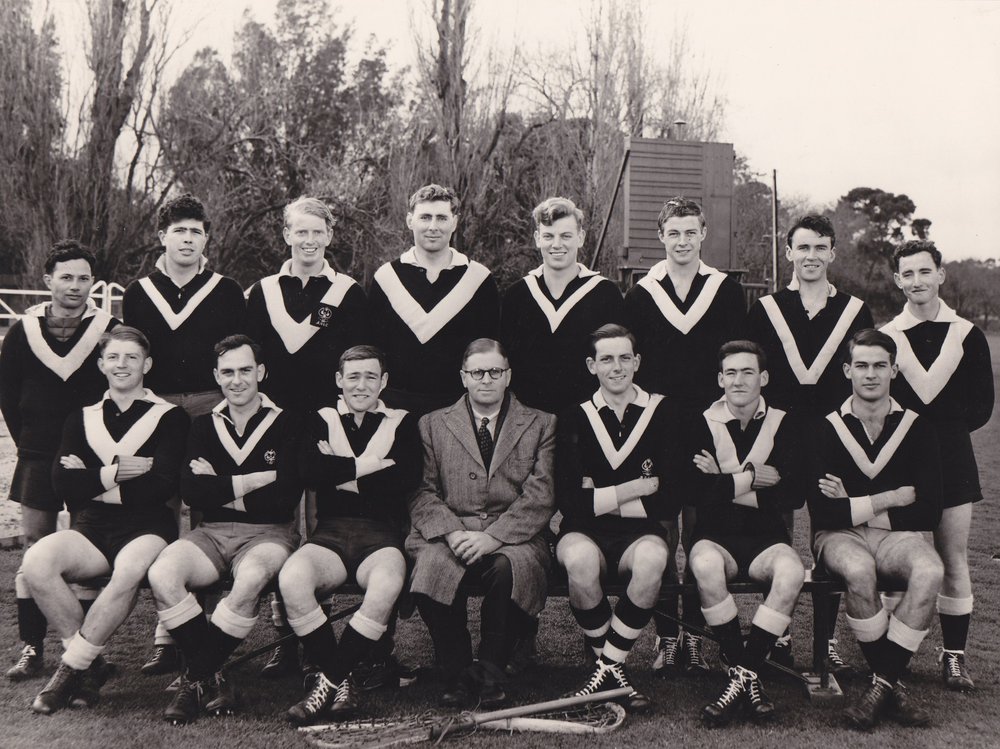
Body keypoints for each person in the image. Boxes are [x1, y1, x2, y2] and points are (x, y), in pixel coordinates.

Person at [21, 326, 189, 714]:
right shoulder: (81, 417)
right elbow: (62, 483)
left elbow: (161, 485)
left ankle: (69, 671)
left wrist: (91, 475)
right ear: (101, 365)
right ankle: (93, 665)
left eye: (131, 357)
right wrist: (119, 472)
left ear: (147, 364)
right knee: (36, 563)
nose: (122, 364)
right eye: (113, 357)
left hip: (147, 526)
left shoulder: (170, 417)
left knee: (128, 570)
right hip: (92, 526)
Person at [147, 335, 302, 724]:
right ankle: (214, 676)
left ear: (261, 372)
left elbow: (282, 499)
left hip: (269, 533)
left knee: (249, 580)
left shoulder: (288, 422)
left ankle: (193, 678)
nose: (237, 380)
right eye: (228, 372)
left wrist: (221, 482)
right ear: (216, 376)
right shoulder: (202, 425)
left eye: (245, 370)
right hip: (211, 532)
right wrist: (254, 479)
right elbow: (193, 493)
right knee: (163, 574)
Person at [123, 193, 246, 674]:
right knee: (163, 504)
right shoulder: (139, 291)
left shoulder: (226, 289)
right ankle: (167, 631)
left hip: (209, 402)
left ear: (206, 238)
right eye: (179, 230)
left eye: (196, 231)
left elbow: (237, 353)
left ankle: (207, 623)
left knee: (208, 509)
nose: (188, 238)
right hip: (158, 407)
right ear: (162, 237)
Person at [746, 214, 874, 672]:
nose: (812, 256)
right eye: (803, 248)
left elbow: (864, 374)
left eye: (821, 247)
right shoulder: (766, 310)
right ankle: (778, 632)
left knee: (829, 539)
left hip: (832, 444)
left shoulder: (855, 311)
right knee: (777, 537)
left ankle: (826, 641)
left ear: (833, 252)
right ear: (788, 253)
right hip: (777, 442)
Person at [624, 196, 746, 677]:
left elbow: (735, 361)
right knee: (659, 530)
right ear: (661, 236)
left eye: (689, 232)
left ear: (703, 233)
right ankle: (667, 637)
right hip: (656, 428)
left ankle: (695, 637)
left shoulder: (725, 291)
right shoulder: (640, 294)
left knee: (701, 532)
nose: (681, 240)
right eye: (672, 232)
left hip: (707, 427)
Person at [406, 339, 555, 707]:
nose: (485, 379)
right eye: (477, 372)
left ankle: (490, 670)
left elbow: (541, 496)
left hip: (514, 535)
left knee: (510, 569)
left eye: (495, 372)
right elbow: (421, 492)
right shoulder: (431, 425)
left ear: (508, 376)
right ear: (463, 377)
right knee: (432, 565)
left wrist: (492, 538)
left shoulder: (541, 423)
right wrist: (453, 532)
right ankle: (457, 673)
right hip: (448, 531)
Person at [280, 345, 422, 725]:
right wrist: (375, 465)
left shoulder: (403, 422)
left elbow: (406, 478)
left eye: (371, 377)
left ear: (384, 382)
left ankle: (328, 682)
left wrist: (339, 471)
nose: (362, 385)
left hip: (381, 536)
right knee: (293, 579)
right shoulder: (320, 418)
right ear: (339, 380)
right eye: (353, 377)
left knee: (388, 582)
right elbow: (310, 471)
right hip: (330, 534)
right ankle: (340, 681)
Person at [809, 328, 943, 730]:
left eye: (880, 366)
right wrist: (890, 497)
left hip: (895, 537)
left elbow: (928, 511)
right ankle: (892, 683)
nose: (871, 374)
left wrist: (854, 502)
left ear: (894, 370)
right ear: (847, 370)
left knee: (931, 570)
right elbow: (823, 512)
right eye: (862, 365)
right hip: (837, 537)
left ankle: (881, 684)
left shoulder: (918, 427)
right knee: (859, 571)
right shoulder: (825, 427)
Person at [0, 241, 118, 681]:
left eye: (83, 277)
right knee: (34, 550)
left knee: (88, 549)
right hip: (38, 454)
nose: (74, 285)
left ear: (93, 282)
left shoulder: (108, 328)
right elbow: (8, 394)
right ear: (48, 280)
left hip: (91, 456)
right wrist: (30, 442)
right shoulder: (23, 330)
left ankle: (85, 654)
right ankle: (32, 650)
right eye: (65, 277)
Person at [881, 240, 994, 691]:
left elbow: (982, 406)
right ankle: (890, 655)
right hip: (899, 460)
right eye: (907, 274)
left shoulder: (967, 333)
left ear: (940, 275)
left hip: (951, 458)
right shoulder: (888, 335)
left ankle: (953, 657)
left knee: (953, 558)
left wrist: (940, 434)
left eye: (924, 272)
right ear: (897, 281)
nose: (916, 282)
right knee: (894, 562)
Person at [555, 324, 685, 711]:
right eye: (607, 359)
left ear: (637, 362)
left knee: (652, 561)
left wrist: (598, 493)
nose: (617, 367)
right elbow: (570, 503)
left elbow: (670, 499)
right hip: (582, 532)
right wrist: (637, 487)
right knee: (579, 561)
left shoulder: (663, 411)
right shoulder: (574, 416)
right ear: (591, 365)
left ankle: (607, 667)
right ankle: (614, 672)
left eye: (624, 358)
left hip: (640, 533)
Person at [686, 340, 806, 727]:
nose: (739, 380)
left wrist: (723, 482)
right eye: (731, 373)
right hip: (714, 536)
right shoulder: (699, 421)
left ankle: (739, 675)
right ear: (720, 379)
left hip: (766, 539)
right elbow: (695, 492)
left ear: (764, 377)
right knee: (703, 564)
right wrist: (756, 478)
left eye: (748, 371)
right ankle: (748, 672)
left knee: (791, 571)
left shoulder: (785, 423)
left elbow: (794, 493)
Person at [368, 184, 500, 416]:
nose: (432, 227)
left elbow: (489, 351)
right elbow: (373, 347)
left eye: (441, 218)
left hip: (458, 408)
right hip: (394, 408)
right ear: (410, 221)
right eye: (425, 217)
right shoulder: (386, 277)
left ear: (454, 222)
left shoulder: (479, 279)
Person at [500, 196, 627, 415]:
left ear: (581, 237)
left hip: (589, 421)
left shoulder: (606, 294)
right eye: (548, 236)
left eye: (566, 236)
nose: (556, 244)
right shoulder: (517, 295)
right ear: (537, 238)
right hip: (527, 420)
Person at [245, 196, 367, 413]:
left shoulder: (349, 292)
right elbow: (252, 359)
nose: (310, 240)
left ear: (329, 236)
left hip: (330, 415)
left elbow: (360, 362)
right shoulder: (262, 291)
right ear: (287, 235)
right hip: (272, 414)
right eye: (301, 232)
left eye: (317, 232)